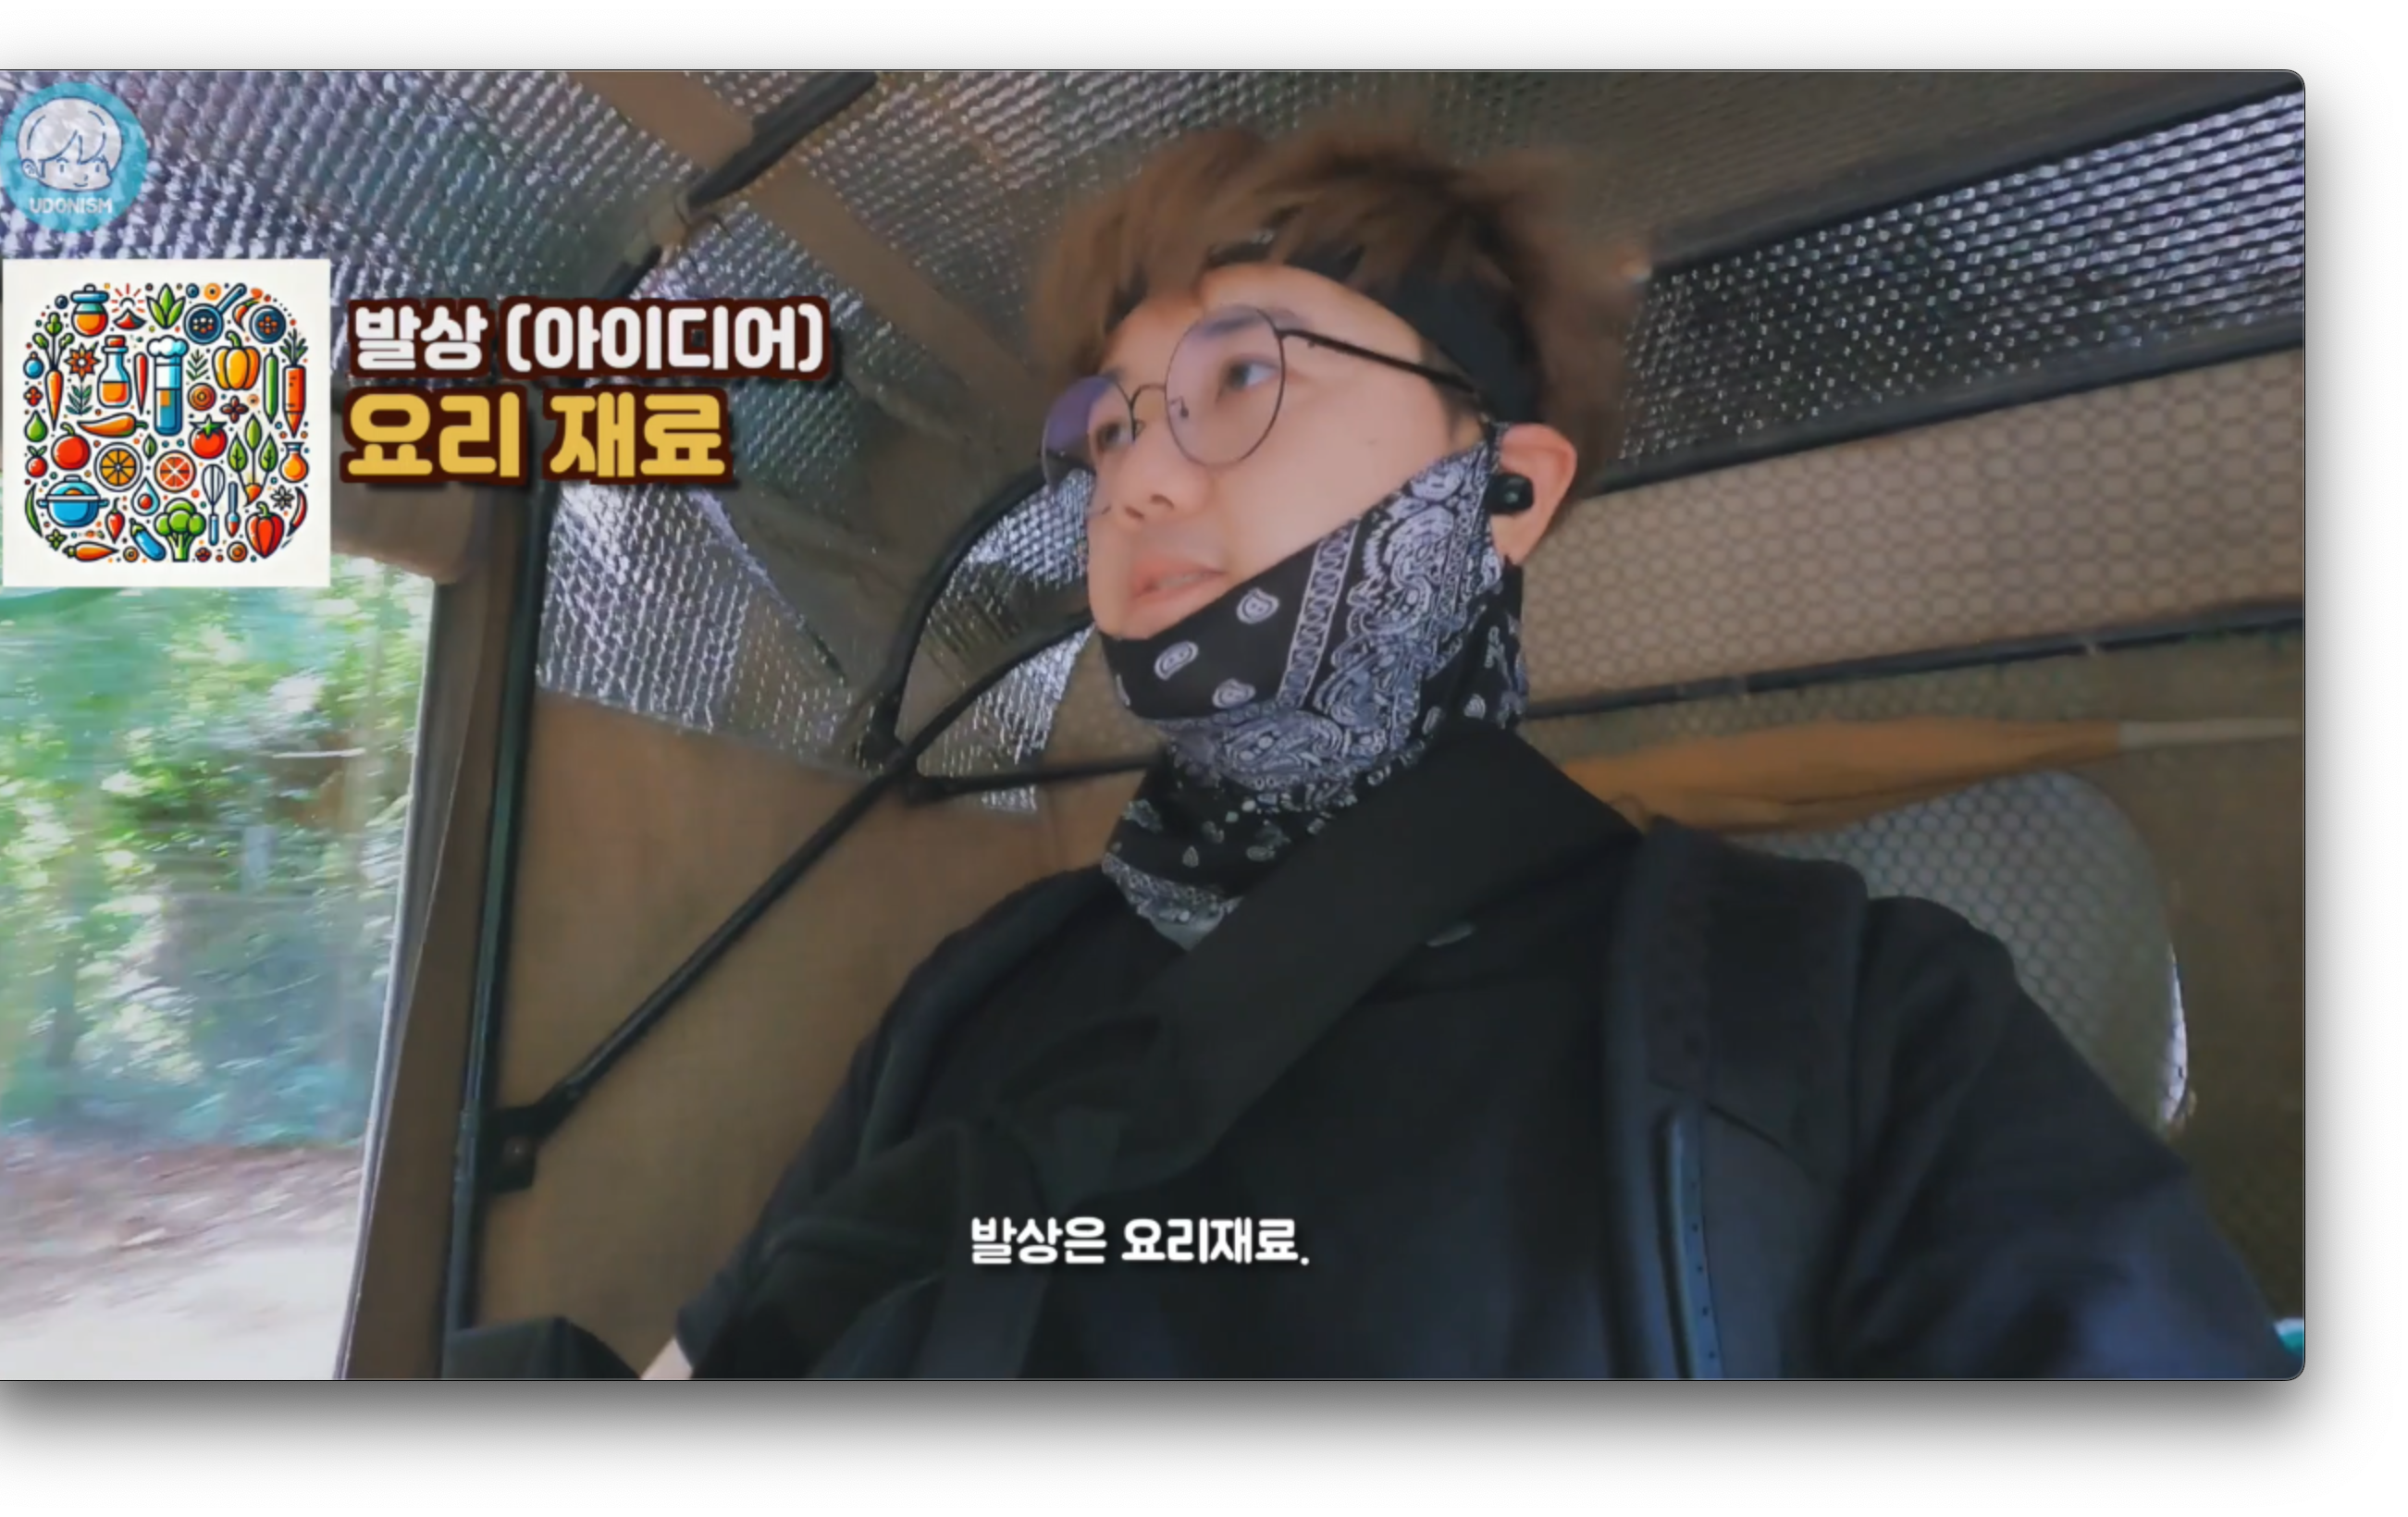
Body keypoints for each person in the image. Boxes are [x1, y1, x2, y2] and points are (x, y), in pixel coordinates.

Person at [640, 120, 2294, 1378]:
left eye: (1240, 375)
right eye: (1115, 420)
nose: (1135, 478)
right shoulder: (976, 994)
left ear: (1507, 489)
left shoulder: (1837, 1020)